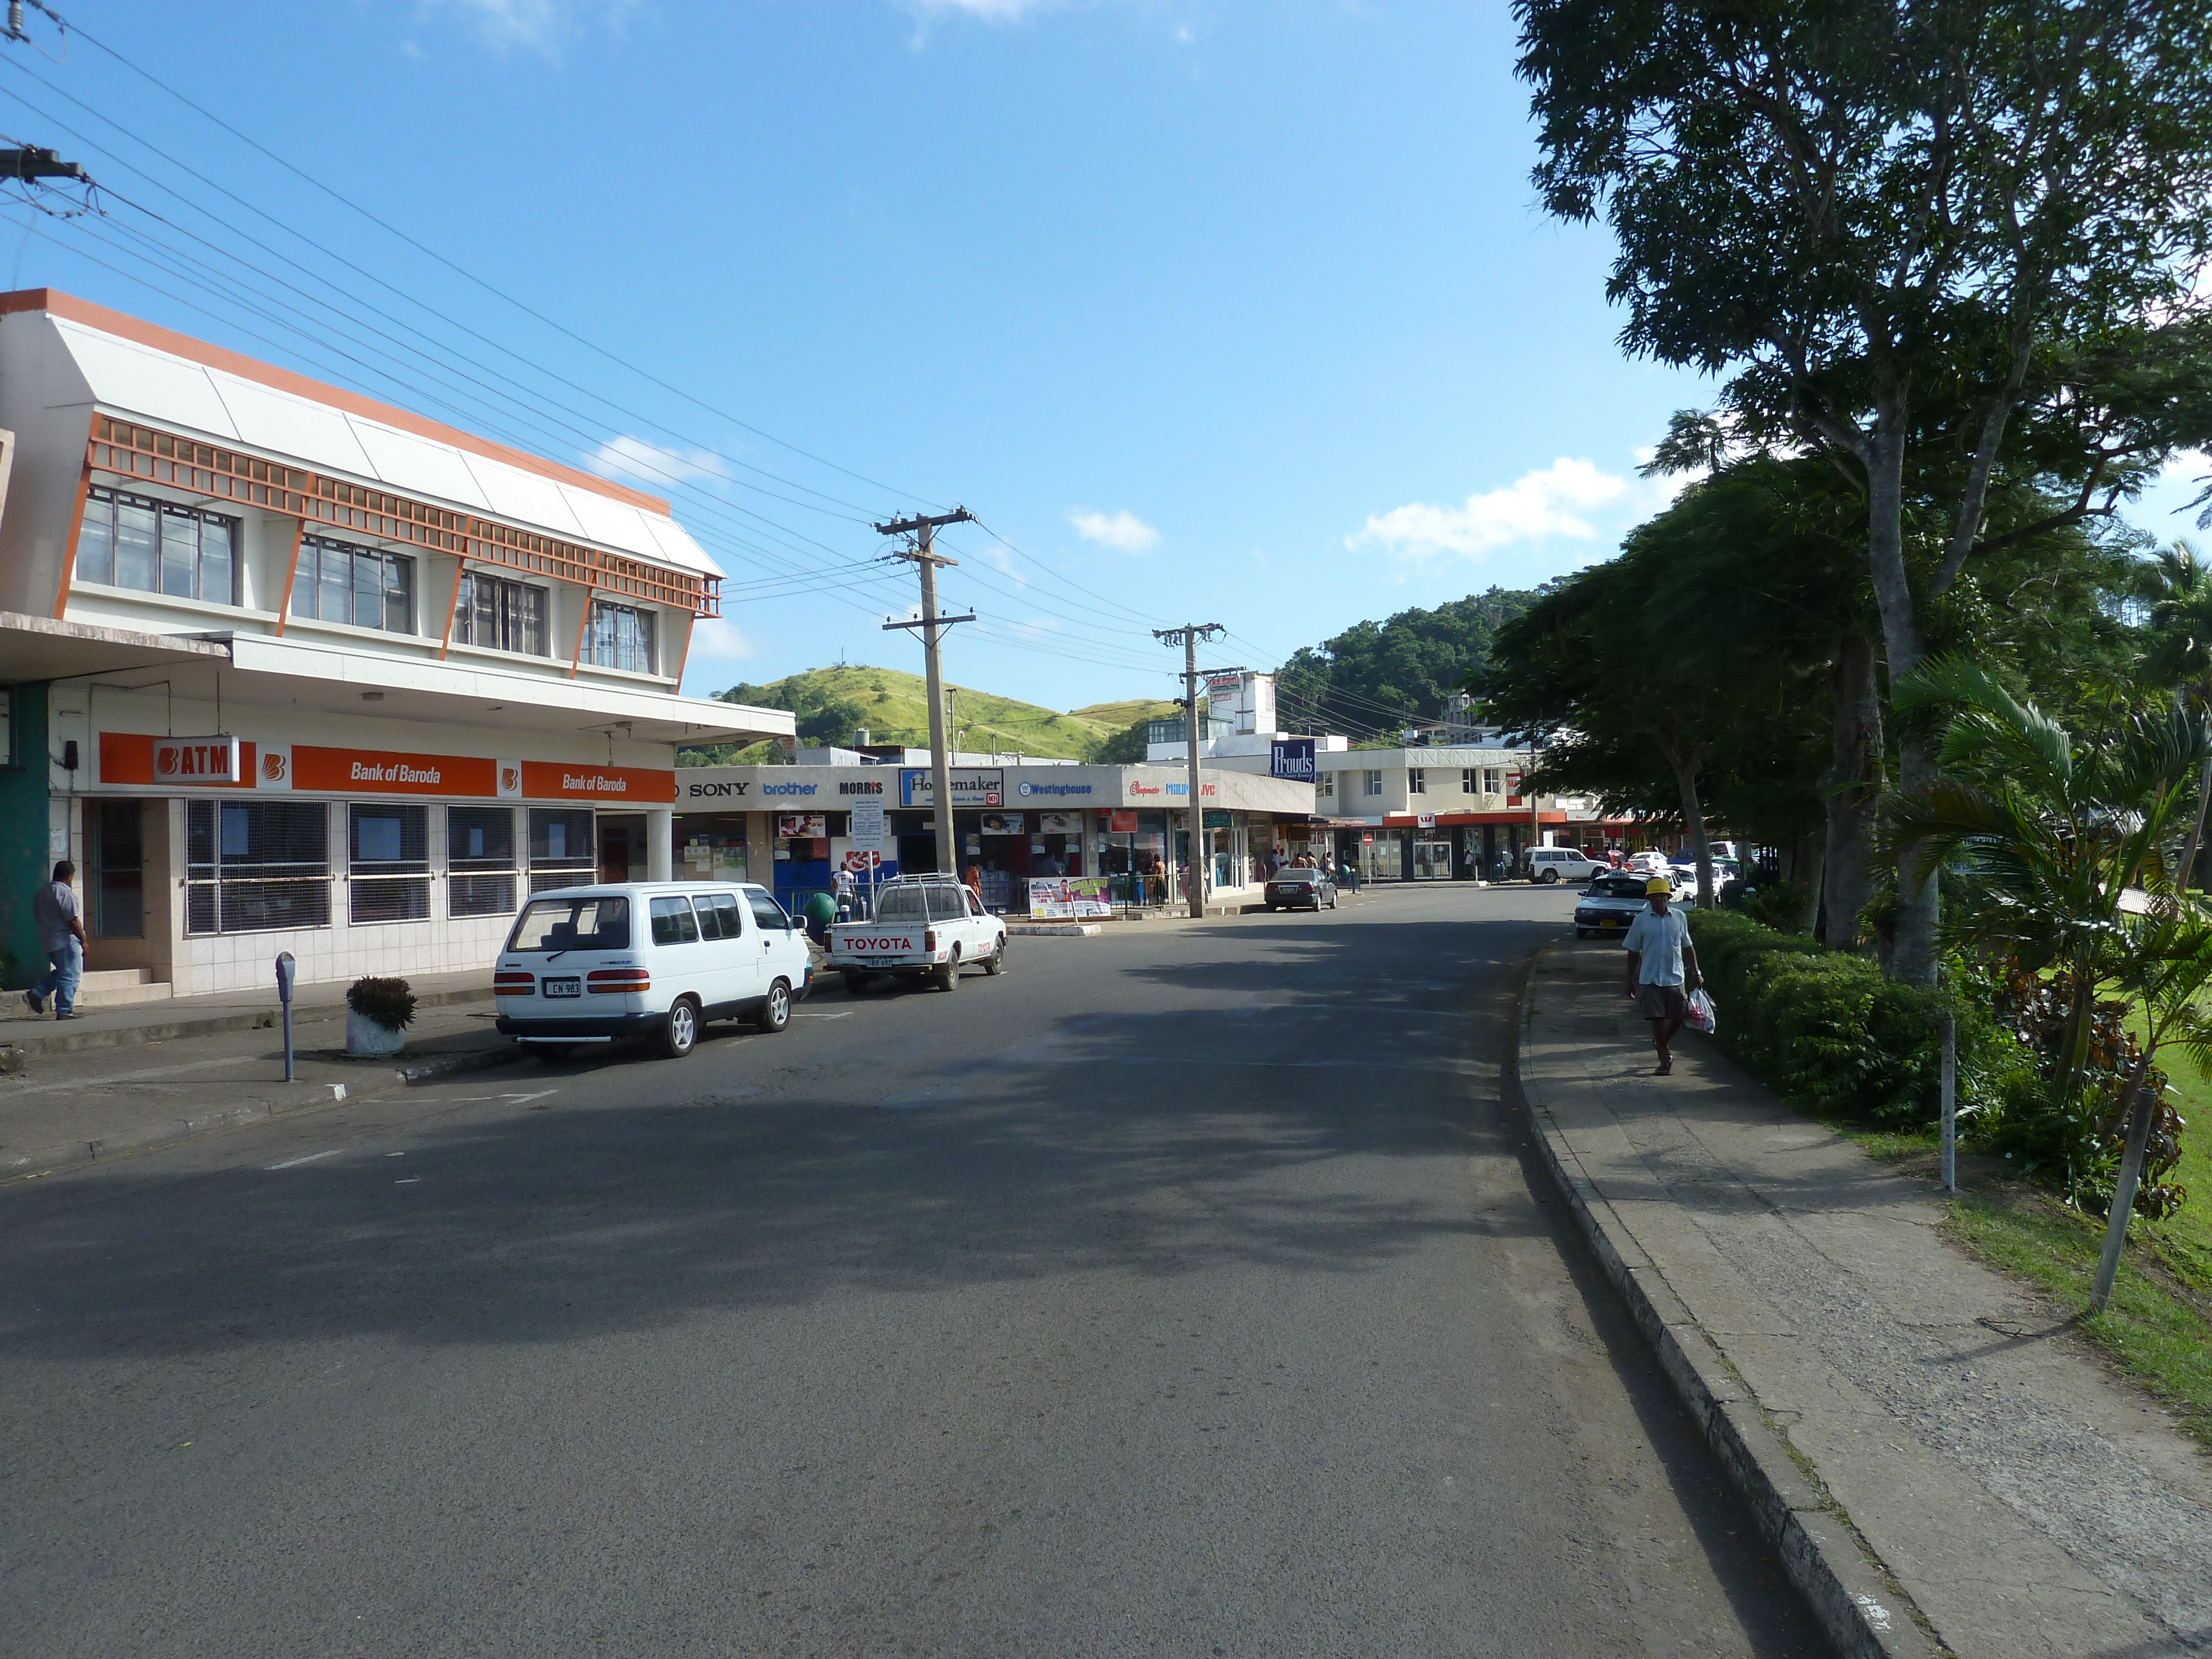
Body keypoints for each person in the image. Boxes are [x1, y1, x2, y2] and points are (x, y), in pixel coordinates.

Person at [1621, 875, 1702, 1076]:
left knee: (1680, 1017)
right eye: (1655, 897)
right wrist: (1630, 979)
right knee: (1657, 1019)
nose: (1660, 900)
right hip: (1650, 979)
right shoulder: (1641, 921)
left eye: (1663, 896)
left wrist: (1696, 972)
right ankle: (1664, 1058)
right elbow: (1633, 952)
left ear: (1669, 897)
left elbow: (1687, 947)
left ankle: (1661, 1042)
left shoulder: (1679, 918)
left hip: (1675, 978)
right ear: (1649, 899)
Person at [25, 860, 85, 1021]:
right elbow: (72, 920)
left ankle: (38, 992)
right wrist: (84, 940)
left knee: (63, 972)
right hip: (65, 939)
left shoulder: (42, 894)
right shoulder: (65, 894)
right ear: (70, 876)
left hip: (48, 941)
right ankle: (64, 1009)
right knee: (71, 974)